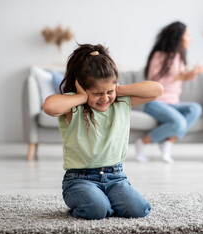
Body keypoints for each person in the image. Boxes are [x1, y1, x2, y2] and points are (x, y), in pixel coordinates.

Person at [43, 43, 164, 220]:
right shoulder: (75, 105)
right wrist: (82, 97)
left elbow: (157, 90)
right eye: (97, 93)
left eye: (109, 91)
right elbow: (49, 106)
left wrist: (118, 89)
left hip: (116, 177)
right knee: (97, 210)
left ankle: (107, 201)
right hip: (80, 179)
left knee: (139, 210)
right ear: (83, 89)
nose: (105, 98)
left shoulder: (120, 101)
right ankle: (100, 203)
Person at [135, 21, 203, 164]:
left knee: (196, 108)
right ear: (178, 37)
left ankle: (168, 141)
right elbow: (153, 83)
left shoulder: (180, 56)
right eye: (188, 35)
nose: (190, 39)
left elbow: (177, 79)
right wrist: (179, 77)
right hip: (156, 102)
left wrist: (190, 75)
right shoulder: (159, 55)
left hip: (174, 103)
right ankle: (143, 142)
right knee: (180, 123)